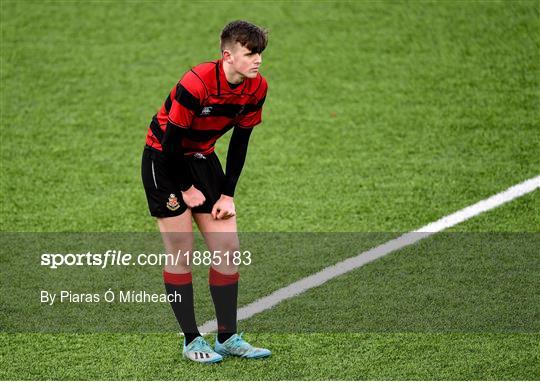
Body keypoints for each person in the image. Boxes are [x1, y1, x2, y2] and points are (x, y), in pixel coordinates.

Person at [141, 20, 271, 364]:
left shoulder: (256, 89)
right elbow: (170, 144)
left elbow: (241, 142)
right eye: (250, 53)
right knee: (181, 250)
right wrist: (185, 188)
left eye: (260, 53)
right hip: (164, 161)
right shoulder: (196, 83)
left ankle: (227, 337)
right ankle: (191, 339)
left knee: (228, 248)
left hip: (202, 158)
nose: (257, 60)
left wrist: (227, 193)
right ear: (227, 55)